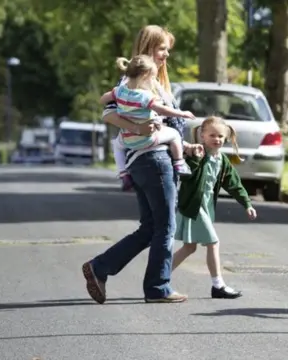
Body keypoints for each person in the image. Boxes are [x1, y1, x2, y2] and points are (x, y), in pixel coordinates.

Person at [82, 25, 203, 304]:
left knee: (150, 227)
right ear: (147, 48)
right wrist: (138, 130)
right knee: (165, 227)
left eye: (167, 50)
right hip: (154, 159)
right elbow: (108, 114)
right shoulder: (132, 81)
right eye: (162, 49)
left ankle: (100, 267)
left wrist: (185, 146)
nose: (166, 56)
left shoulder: (153, 82)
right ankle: (158, 287)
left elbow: (161, 124)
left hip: (148, 158)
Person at [171, 116, 257, 299]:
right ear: (202, 136)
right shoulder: (197, 154)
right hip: (195, 206)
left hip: (206, 207)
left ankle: (159, 275)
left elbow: (234, 184)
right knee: (213, 242)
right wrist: (194, 160)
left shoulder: (222, 160)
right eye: (212, 135)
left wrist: (246, 203)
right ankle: (218, 285)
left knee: (189, 248)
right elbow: (185, 176)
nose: (216, 139)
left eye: (220, 136)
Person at [100, 55, 194, 178]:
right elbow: (162, 109)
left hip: (127, 139)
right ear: (145, 76)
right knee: (174, 135)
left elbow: (103, 99)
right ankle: (179, 162)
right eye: (153, 77)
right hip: (147, 139)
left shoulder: (119, 91)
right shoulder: (145, 96)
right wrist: (182, 113)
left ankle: (123, 173)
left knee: (117, 145)